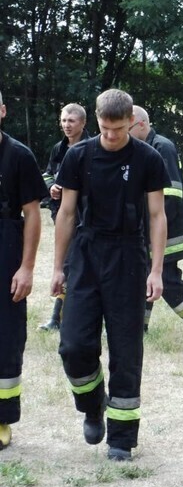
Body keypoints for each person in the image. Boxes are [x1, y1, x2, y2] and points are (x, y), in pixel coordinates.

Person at [52, 89, 169, 462]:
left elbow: (157, 216)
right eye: (105, 129)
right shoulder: (78, 156)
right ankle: (91, 404)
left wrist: (156, 270)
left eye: (118, 129)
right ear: (98, 121)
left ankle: (121, 437)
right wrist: (57, 267)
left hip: (128, 256)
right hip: (86, 254)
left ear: (132, 123)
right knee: (73, 345)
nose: (112, 136)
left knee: (126, 349)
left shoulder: (148, 158)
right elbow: (67, 214)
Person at [129, 106, 183, 339]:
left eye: (126, 128)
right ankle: (138, 325)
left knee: (165, 280)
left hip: (167, 230)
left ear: (141, 124)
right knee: (140, 275)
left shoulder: (162, 147)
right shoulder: (140, 148)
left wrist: (152, 225)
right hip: (147, 229)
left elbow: (171, 194)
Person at [0, 89, 48, 450]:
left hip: (7, 246)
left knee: (7, 336)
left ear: (2, 110)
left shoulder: (19, 155)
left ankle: (2, 419)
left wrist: (27, 267)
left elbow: (32, 213)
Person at [39, 103, 89, 331]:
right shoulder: (58, 149)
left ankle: (59, 319)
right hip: (63, 216)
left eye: (71, 121)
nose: (66, 125)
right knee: (68, 265)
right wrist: (53, 188)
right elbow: (48, 174)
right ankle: (58, 319)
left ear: (83, 123)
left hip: (86, 219)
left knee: (74, 266)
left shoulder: (93, 148)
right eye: (63, 121)